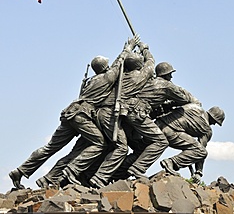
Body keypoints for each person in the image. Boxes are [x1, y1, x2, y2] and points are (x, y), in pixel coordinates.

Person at [9, 35, 140, 190]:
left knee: (51, 147)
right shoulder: (107, 78)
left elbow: (114, 66)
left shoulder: (91, 81)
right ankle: (72, 171)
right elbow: (119, 63)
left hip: (70, 113)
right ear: (105, 67)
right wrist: (128, 48)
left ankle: (21, 170)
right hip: (82, 115)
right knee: (99, 143)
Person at [60, 41, 156, 189]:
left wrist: (128, 50)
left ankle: (86, 175)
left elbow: (117, 64)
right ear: (138, 66)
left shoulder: (117, 77)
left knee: (106, 146)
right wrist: (145, 49)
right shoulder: (139, 76)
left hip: (98, 114)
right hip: (109, 114)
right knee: (121, 147)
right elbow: (151, 63)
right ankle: (98, 177)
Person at [112, 61, 201, 181]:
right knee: (161, 142)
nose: (171, 77)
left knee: (142, 148)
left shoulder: (149, 82)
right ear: (166, 74)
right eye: (170, 74)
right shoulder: (167, 86)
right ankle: (138, 168)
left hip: (128, 112)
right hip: (138, 114)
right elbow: (183, 99)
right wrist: (189, 98)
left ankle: (118, 173)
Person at [156, 103, 225, 184]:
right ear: (213, 118)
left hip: (157, 124)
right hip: (170, 132)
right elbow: (200, 150)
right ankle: (171, 162)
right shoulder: (207, 129)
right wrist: (198, 172)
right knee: (201, 152)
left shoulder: (194, 107)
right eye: (215, 122)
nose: (214, 124)